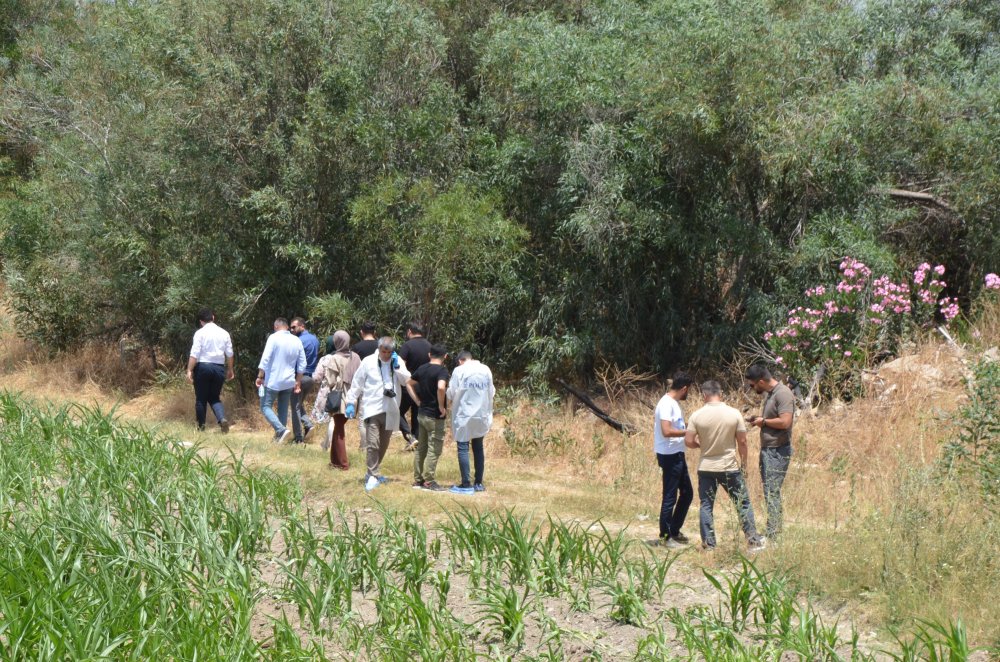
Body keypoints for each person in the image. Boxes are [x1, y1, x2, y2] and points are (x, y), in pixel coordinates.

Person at [684, 380, 764, 552]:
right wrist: (744, 465)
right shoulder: (734, 414)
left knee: (706, 505)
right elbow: (742, 442)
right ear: (721, 394)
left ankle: (709, 545)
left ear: (704, 395)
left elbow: (689, 441)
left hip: (706, 467)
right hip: (729, 466)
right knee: (743, 503)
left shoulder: (696, 415)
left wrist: (702, 446)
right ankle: (752, 540)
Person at [345, 337, 411, 491]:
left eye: (389, 352)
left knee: (384, 444)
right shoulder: (368, 361)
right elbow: (357, 382)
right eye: (384, 351)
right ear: (379, 348)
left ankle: (372, 473)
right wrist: (350, 401)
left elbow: (406, 380)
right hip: (372, 407)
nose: (386, 354)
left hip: (391, 408)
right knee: (373, 443)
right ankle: (373, 474)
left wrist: (398, 367)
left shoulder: (397, 360)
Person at [745, 364, 795, 539]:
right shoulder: (772, 394)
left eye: (752, 385)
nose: (752, 389)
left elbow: (785, 422)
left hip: (777, 450)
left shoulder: (782, 394)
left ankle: (774, 533)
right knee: (769, 491)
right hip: (769, 449)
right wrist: (759, 420)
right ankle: (773, 529)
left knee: (772, 491)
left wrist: (764, 422)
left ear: (760, 381)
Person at [651, 372, 694, 549]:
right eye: (688, 391)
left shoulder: (674, 403)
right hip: (669, 455)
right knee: (670, 496)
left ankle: (674, 530)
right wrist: (689, 432)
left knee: (687, 493)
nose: (688, 394)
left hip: (677, 453)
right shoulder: (666, 404)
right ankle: (666, 536)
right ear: (684, 388)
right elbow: (666, 431)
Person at [446, 350, 494, 495]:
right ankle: (478, 483)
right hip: (481, 415)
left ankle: (466, 483)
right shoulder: (485, 369)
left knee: (463, 447)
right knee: (478, 447)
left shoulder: (459, 370)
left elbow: (452, 392)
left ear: (460, 360)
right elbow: (491, 391)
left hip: (464, 414)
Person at [311, 331, 361, 470]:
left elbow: (330, 381)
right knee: (338, 428)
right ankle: (334, 462)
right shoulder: (356, 356)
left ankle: (343, 464)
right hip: (354, 397)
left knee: (338, 430)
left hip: (340, 397)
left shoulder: (335, 358)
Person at [256, 318, 306, 445]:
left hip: (273, 380)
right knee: (282, 409)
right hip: (289, 381)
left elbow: (265, 358)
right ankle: (280, 438)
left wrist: (260, 376)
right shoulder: (296, 340)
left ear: (276, 326)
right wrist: (298, 381)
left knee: (265, 406)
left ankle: (281, 430)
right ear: (287, 327)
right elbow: (302, 364)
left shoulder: (273, 338)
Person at [406, 344, 449, 491]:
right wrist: (441, 406)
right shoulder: (442, 371)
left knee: (422, 447)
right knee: (434, 448)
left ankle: (418, 479)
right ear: (445, 357)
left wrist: (417, 401)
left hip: (422, 414)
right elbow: (441, 387)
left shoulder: (422, 368)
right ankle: (429, 481)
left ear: (429, 355)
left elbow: (408, 383)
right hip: (435, 416)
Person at [186, 308, 235, 433]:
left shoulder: (200, 333)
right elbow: (230, 354)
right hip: (219, 368)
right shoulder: (224, 333)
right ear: (213, 317)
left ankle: (201, 428)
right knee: (214, 397)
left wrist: (189, 370)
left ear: (201, 321)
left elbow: (194, 354)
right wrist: (230, 369)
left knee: (201, 398)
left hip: (203, 367)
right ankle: (222, 418)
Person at [398, 321, 432, 450]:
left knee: (397, 412)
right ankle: (416, 441)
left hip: (409, 384)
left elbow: (400, 365)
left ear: (409, 332)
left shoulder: (407, 346)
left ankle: (410, 436)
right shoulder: (429, 345)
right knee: (417, 414)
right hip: (424, 385)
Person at [289, 317, 319, 443]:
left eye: (294, 327)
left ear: (302, 326)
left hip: (300, 377)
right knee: (298, 404)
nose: (291, 330)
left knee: (295, 406)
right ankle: (308, 425)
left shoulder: (298, 341)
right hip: (311, 377)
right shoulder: (314, 339)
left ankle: (298, 437)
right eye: (290, 327)